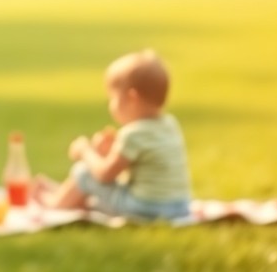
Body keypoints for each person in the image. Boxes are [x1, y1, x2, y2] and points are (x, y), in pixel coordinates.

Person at [35, 50, 192, 221]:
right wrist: (110, 149)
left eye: (112, 98)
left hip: (146, 208)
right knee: (93, 180)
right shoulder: (170, 123)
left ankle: (54, 203)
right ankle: (63, 193)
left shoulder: (133, 134)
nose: (110, 105)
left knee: (84, 172)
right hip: (179, 206)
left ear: (132, 98)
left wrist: (85, 151)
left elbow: (105, 175)